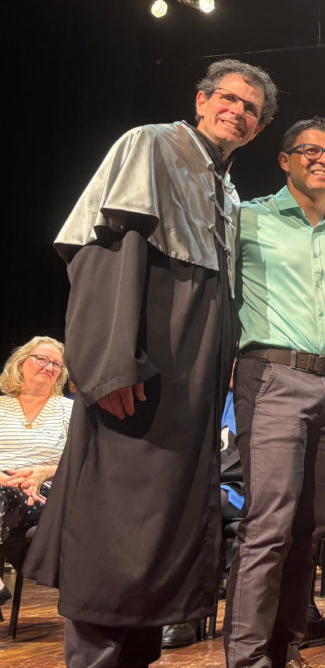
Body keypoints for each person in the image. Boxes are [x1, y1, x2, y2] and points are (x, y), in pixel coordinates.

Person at [24, 59, 277, 667]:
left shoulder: (228, 187)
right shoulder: (152, 145)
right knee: (119, 526)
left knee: (162, 530)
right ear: (201, 99)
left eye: (251, 109)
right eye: (229, 98)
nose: (238, 112)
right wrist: (110, 365)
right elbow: (103, 252)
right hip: (142, 369)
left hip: (192, 379)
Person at [224, 116, 325, 668]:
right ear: (285, 159)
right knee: (268, 525)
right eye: (310, 150)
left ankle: (284, 650)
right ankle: (248, 659)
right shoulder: (248, 219)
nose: (323, 160)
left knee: (308, 529)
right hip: (273, 376)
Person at [0, 337, 74, 605]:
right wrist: (4, 479)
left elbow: (81, 460)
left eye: (56, 364)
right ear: (21, 364)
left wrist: (45, 472)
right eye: (42, 359)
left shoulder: (69, 410)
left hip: (44, 494)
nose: (49, 366)